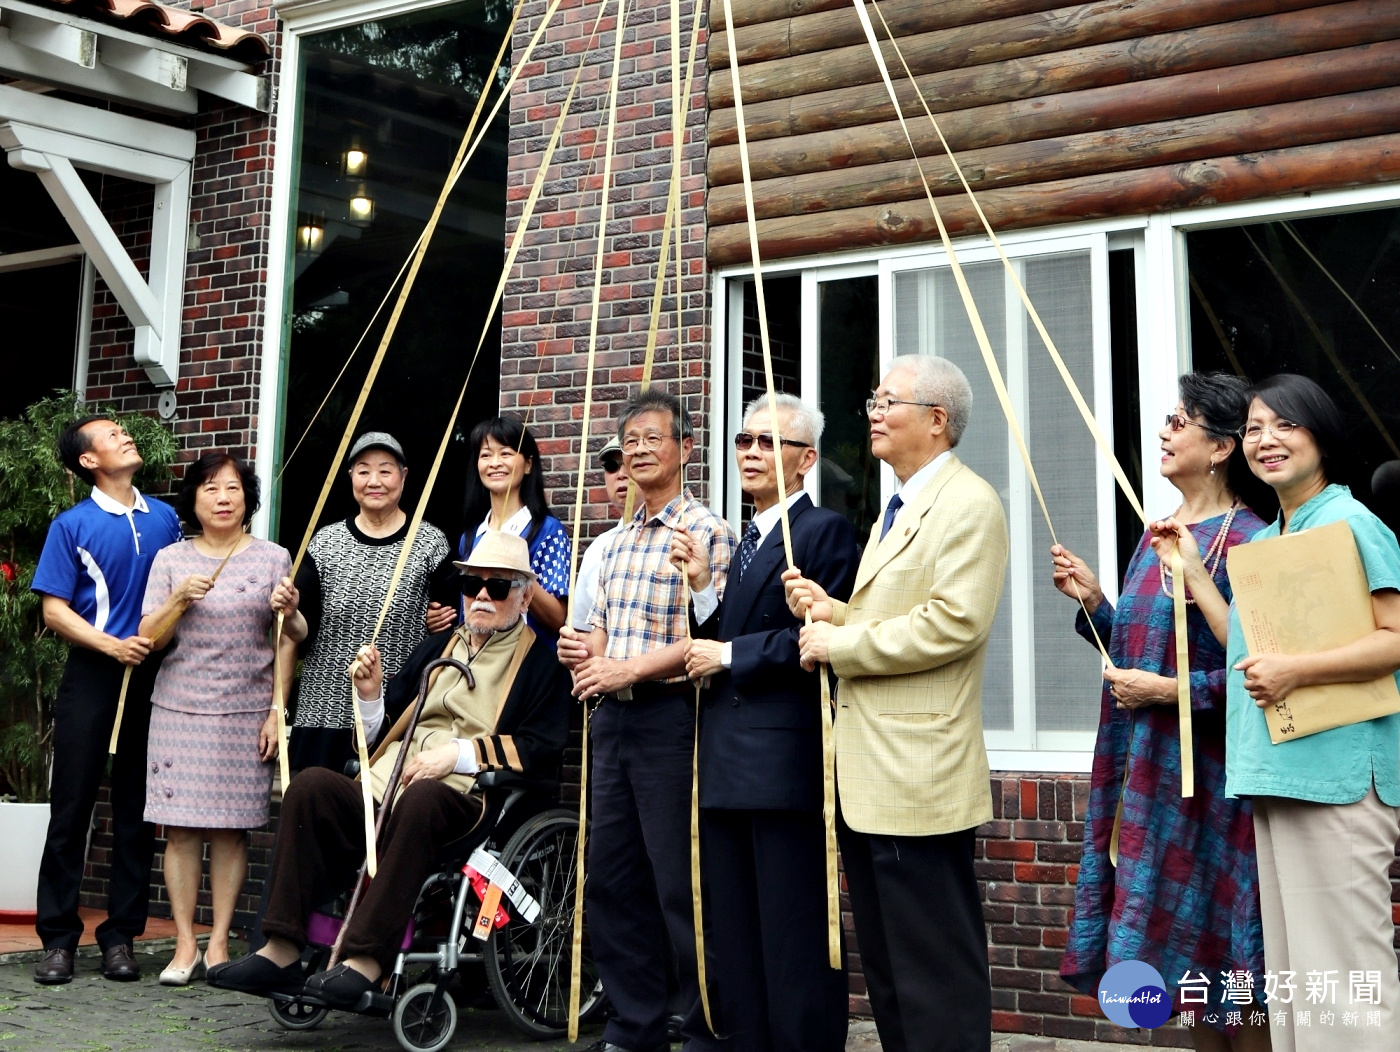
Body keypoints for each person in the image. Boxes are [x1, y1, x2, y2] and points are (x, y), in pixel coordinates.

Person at [208, 531, 571, 1003]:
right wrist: (371, 693)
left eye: (498, 587)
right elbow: (380, 731)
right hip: (390, 778)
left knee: (421, 800)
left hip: (468, 797)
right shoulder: (438, 646)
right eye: (471, 586)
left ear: (523, 596)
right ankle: (280, 948)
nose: (481, 596)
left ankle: (366, 959)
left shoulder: (542, 665)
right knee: (311, 786)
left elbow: (540, 748)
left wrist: (457, 755)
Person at [784, 354, 1009, 1052]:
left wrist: (836, 645)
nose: (873, 413)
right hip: (873, 772)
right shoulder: (900, 505)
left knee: (934, 968)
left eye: (889, 401)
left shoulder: (968, 503)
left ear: (936, 421)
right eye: (874, 399)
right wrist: (837, 612)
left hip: (919, 771)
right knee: (889, 969)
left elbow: (951, 624)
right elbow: (897, 614)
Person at [1050, 374, 1269, 1050]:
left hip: (1215, 783)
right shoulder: (1158, 537)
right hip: (1145, 773)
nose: (1164, 433)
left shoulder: (1255, 541)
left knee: (1236, 973)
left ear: (1223, 447)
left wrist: (1171, 694)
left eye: (1180, 421)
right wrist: (1094, 604)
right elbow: (1140, 648)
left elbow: (1262, 672)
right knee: (1191, 975)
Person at [1187, 373, 1400, 1051]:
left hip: (1336, 777)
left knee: (1342, 975)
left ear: (1321, 436)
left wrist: (1296, 671)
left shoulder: (1349, 521)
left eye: (1285, 425)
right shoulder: (1281, 532)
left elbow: (1394, 638)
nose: (1265, 440)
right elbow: (1255, 654)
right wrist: (1193, 572)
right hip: (1283, 771)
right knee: (1298, 977)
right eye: (1253, 428)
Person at [670, 393, 858, 1052]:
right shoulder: (745, 538)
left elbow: (814, 641)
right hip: (724, 758)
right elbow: (726, 637)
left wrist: (725, 653)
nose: (750, 453)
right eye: (744, 442)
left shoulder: (823, 532)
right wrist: (701, 589)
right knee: (736, 933)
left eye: (767, 443)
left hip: (783, 763)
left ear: (806, 459)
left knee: (792, 931)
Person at [557, 389, 737, 1052]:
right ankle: (633, 1025)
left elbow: (705, 638)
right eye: (629, 440)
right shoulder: (609, 542)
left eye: (651, 438)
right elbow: (595, 631)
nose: (636, 450)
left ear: (685, 449)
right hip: (613, 724)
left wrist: (624, 670)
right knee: (611, 878)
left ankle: (704, 1029)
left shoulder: (708, 533)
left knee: (681, 883)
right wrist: (582, 651)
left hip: (674, 722)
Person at [136, 453, 307, 984]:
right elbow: (150, 638)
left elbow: (290, 637)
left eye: (232, 488)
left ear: (247, 499)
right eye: (211, 488)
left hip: (247, 709)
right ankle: (184, 944)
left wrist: (277, 710)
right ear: (195, 499)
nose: (223, 497)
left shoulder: (274, 558)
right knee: (181, 830)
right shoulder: (170, 560)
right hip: (179, 709)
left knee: (232, 833)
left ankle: (219, 941)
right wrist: (178, 602)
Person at [29, 416, 183, 984]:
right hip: (93, 675)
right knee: (71, 809)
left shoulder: (166, 517)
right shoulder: (71, 525)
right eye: (110, 434)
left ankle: (121, 938)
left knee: (136, 813)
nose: (124, 435)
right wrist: (111, 645)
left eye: (123, 430)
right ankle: (58, 941)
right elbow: (53, 610)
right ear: (87, 460)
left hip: (153, 677)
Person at [290, 432, 457, 775]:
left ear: (404, 476)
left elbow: (451, 626)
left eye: (385, 470)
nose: (374, 481)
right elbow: (300, 632)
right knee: (314, 811)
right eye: (363, 471)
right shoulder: (325, 542)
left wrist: (438, 620)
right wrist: (289, 612)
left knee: (378, 819)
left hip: (393, 710)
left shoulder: (430, 542)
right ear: (350, 476)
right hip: (323, 707)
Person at [460, 416, 570, 639]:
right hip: (478, 660)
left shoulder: (547, 530)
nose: (495, 462)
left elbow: (557, 617)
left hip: (528, 661)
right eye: (485, 455)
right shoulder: (471, 536)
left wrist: (514, 565)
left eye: (506, 453)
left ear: (528, 464)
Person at [571, 436, 629, 631]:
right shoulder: (598, 548)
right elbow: (582, 629)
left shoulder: (684, 534)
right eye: (612, 465)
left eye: (630, 462)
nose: (621, 474)